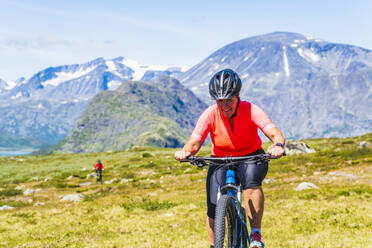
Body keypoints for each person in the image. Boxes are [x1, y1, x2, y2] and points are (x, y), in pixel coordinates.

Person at [174, 69, 285, 248]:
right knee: (212, 206)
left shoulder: (251, 109)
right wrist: (186, 151)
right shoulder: (210, 113)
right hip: (220, 159)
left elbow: (273, 132)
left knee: (251, 183)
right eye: (220, 101)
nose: (225, 105)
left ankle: (255, 235)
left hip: (250, 156)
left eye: (229, 100)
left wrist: (278, 146)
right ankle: (214, 245)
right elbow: (195, 140)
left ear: (238, 95)